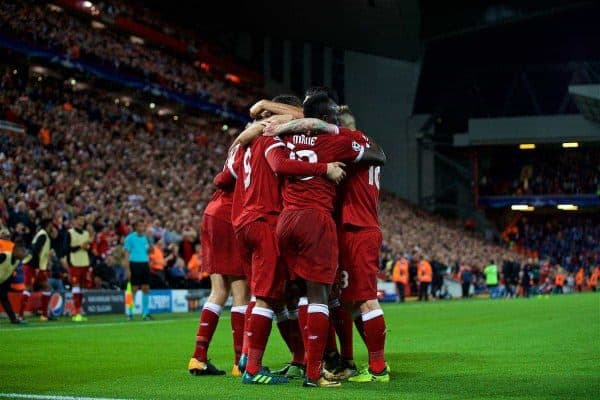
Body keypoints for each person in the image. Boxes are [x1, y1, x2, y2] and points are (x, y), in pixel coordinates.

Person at [267, 92, 385, 388]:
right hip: (331, 224)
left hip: (298, 222)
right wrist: (325, 164)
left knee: (334, 298)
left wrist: (273, 123)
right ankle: (328, 366)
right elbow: (380, 155)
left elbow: (277, 159)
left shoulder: (288, 141)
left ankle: (333, 361)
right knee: (337, 299)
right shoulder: (340, 143)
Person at [234, 94, 346, 386]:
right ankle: (256, 367)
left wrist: (258, 120)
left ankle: (276, 358)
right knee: (276, 295)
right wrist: (268, 108)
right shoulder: (272, 139)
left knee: (281, 295)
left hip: (244, 221)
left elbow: (223, 179)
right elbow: (304, 116)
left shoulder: (244, 145)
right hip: (268, 218)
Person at [189, 145, 249, 377]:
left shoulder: (237, 145)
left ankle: (198, 358)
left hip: (212, 213)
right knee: (241, 292)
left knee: (219, 290)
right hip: (229, 216)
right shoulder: (255, 146)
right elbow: (228, 176)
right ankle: (238, 362)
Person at [19, 219, 57, 321]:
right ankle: (20, 316)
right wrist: (36, 267)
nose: (53, 228)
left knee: (47, 288)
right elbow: (35, 250)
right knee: (28, 288)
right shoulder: (43, 235)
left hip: (39, 267)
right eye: (52, 225)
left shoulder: (44, 235)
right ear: (48, 225)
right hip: (32, 266)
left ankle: (44, 315)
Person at [123, 220, 152, 320]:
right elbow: (126, 254)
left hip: (144, 264)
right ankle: (130, 312)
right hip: (134, 264)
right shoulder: (130, 238)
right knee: (133, 289)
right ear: (135, 227)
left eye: (143, 226)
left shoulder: (146, 238)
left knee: (146, 288)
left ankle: (145, 313)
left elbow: (150, 251)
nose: (142, 228)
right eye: (140, 226)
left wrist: (151, 242)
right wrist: (127, 269)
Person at [65, 213, 91, 322]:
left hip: (84, 262)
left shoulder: (86, 233)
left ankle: (79, 310)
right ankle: (76, 312)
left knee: (82, 288)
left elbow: (88, 248)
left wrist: (86, 247)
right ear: (75, 220)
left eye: (83, 219)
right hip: (74, 263)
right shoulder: (70, 233)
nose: (82, 221)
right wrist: (81, 246)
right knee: (75, 286)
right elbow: (67, 248)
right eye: (80, 219)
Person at [0, 239, 28, 325]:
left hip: (2, 281)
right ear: (15, 250)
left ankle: (13, 319)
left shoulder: (17, 262)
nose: (24, 253)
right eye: (22, 251)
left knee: (4, 299)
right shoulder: (4, 256)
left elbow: (9, 272)